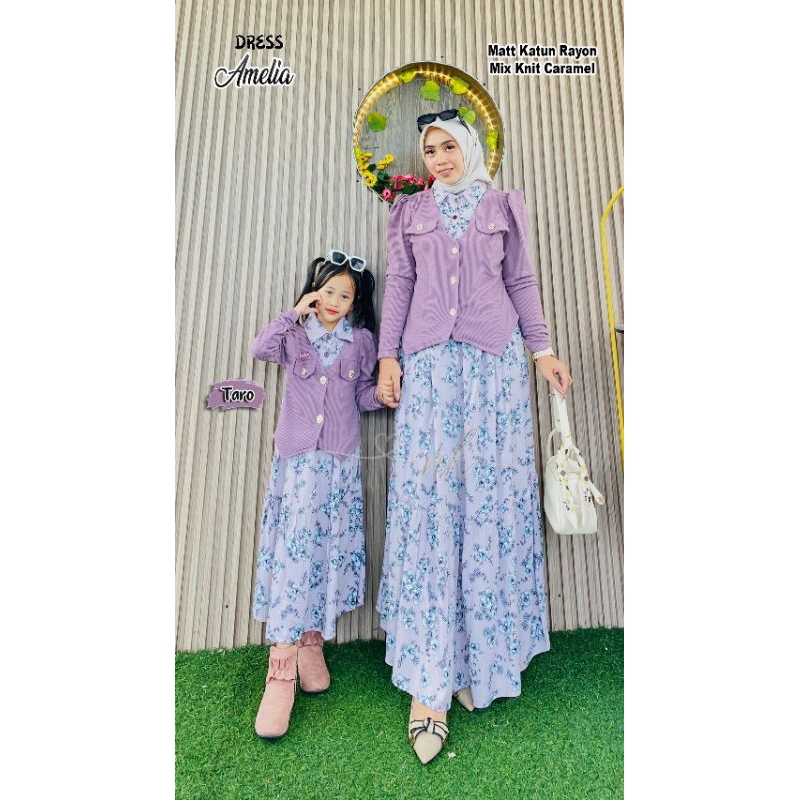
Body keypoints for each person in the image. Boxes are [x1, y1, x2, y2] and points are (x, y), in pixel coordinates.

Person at [375, 112, 574, 764]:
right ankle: (430, 680)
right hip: (431, 370)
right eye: (429, 149)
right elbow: (401, 285)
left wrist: (542, 350)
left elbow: (521, 280)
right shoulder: (409, 213)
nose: (439, 157)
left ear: (470, 148)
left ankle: (476, 659)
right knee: (433, 507)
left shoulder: (502, 206)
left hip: (494, 371)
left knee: (486, 506)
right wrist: (387, 357)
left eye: (449, 146)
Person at [250, 251, 386, 739]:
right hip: (297, 464)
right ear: (314, 291)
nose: (334, 301)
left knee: (322, 552)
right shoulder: (294, 334)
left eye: (344, 295)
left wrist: (385, 395)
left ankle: (311, 643)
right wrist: (295, 312)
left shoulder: (361, 342)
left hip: (338, 465)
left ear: (354, 303)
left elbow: (363, 395)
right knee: (294, 553)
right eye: (328, 291)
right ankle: (281, 668)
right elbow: (260, 348)